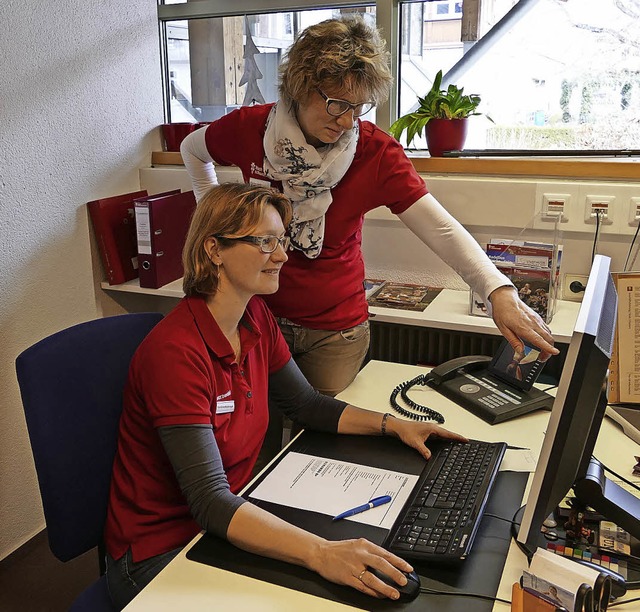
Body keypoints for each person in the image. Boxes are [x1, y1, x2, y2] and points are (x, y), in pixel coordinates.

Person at [104, 183, 468, 609]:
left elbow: (306, 404)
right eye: (264, 242)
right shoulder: (175, 354)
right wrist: (320, 553)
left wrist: (393, 425)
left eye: (281, 241)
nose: (281, 256)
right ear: (214, 250)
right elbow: (208, 500)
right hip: (162, 551)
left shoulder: (254, 314)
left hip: (229, 514)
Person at [181, 15, 558, 398]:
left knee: (320, 436)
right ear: (300, 86)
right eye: (336, 104)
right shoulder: (251, 129)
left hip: (333, 331)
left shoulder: (375, 152)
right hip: (256, 315)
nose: (347, 121)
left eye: (358, 107)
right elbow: (192, 151)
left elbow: (440, 228)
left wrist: (498, 292)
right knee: (255, 428)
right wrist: (216, 222)